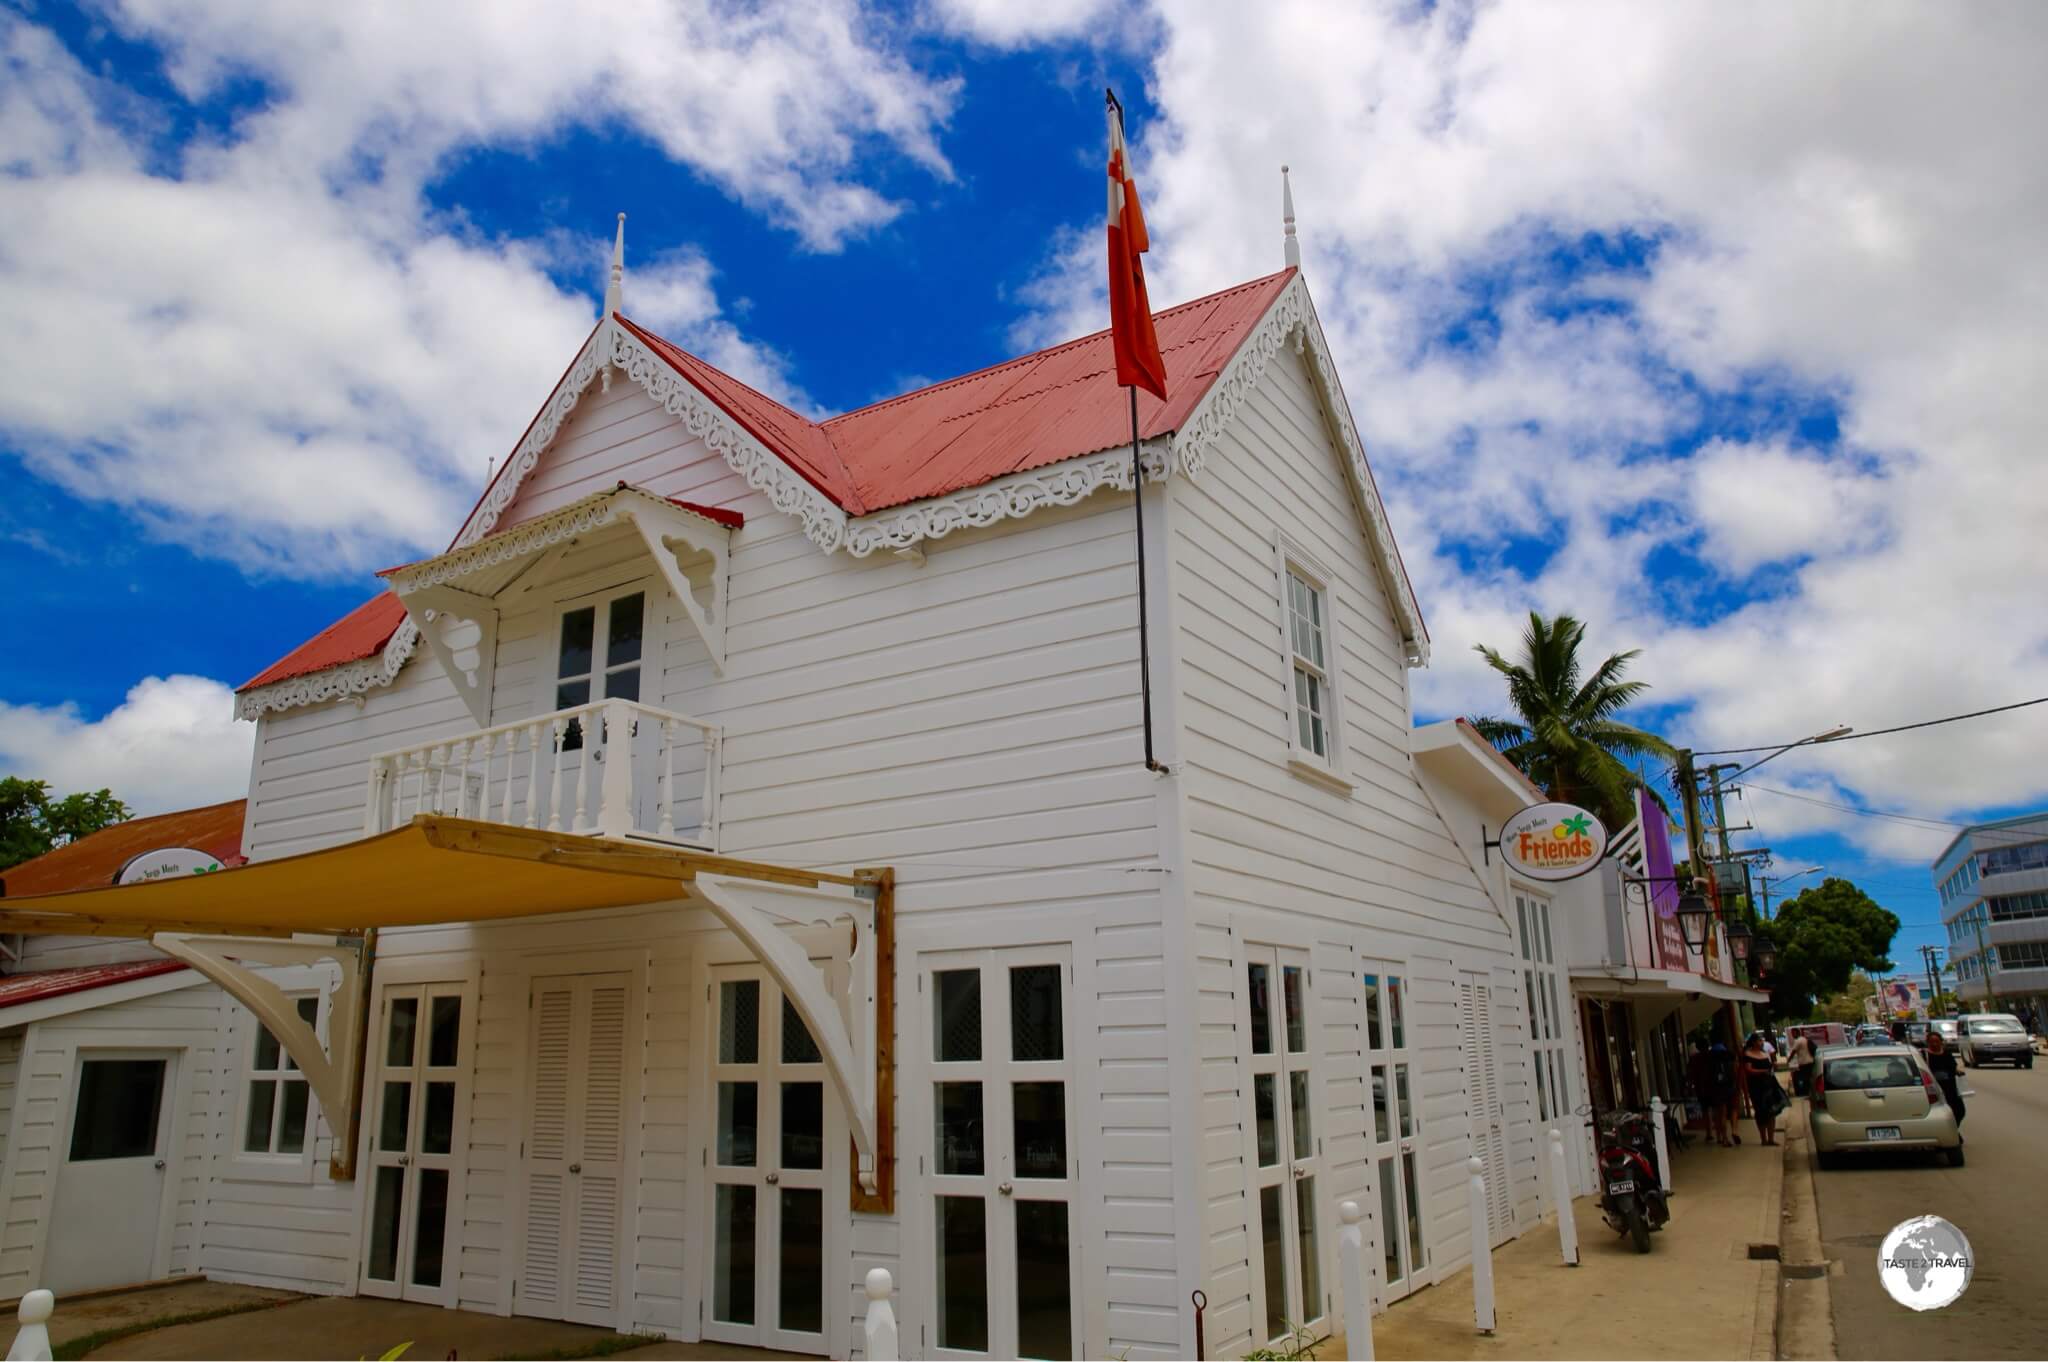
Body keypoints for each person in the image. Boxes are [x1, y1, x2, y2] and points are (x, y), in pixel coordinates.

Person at [1925, 1029, 1966, 1140]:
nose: (1934, 1044)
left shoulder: (1947, 1053)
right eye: (1932, 1041)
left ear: (1941, 1042)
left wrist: (1958, 1071)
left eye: (1937, 1041)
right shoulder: (1925, 1055)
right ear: (1928, 1042)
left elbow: (1953, 1066)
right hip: (1936, 1089)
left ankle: (1953, 1130)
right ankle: (1950, 1135)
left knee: (1959, 1111)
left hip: (1951, 1088)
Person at [1742, 1032, 1782, 1145]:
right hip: (1756, 1087)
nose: (1761, 1043)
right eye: (1759, 1041)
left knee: (1771, 1112)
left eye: (1762, 1041)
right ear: (1754, 1042)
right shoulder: (1748, 1054)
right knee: (1760, 1112)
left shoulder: (1764, 1053)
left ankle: (1771, 1139)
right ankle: (1763, 1139)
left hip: (1769, 1085)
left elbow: (1771, 1066)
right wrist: (1762, 1072)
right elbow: (1748, 1070)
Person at [1708, 1035, 1741, 1145]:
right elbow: (1735, 1069)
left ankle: (1724, 1138)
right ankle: (1735, 1130)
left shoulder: (1710, 1056)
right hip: (1730, 1085)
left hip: (1716, 1087)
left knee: (1721, 1112)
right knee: (1734, 1109)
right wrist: (1736, 1084)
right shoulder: (1729, 1054)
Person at [1789, 1029, 1815, 1097]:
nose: (1792, 1035)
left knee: (1796, 1077)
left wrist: (1788, 1060)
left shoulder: (1798, 1041)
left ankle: (1801, 1093)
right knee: (1806, 1078)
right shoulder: (1804, 1039)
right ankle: (1805, 1092)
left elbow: (1793, 1052)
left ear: (1797, 1033)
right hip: (1810, 1061)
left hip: (1804, 1062)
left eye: (1793, 1033)